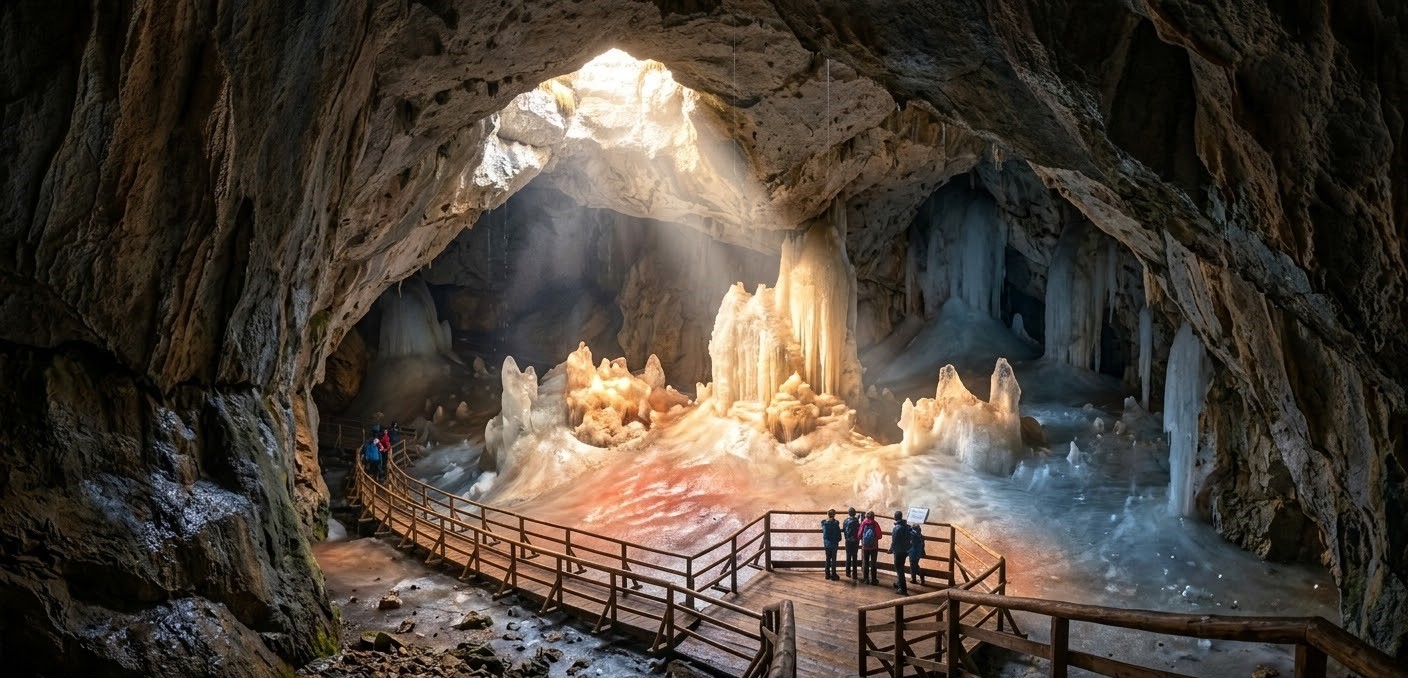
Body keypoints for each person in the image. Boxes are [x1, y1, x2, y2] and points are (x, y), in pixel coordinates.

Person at [888, 511, 912, 594]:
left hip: (898, 551)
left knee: (899, 569)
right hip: (905, 550)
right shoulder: (907, 526)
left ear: (895, 517)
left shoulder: (896, 528)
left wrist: (891, 549)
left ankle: (903, 589)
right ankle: (899, 583)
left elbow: (894, 541)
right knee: (901, 567)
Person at [859, 510, 881, 585]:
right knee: (873, 563)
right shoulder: (875, 524)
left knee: (866, 562)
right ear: (873, 517)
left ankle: (866, 579)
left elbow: (859, 535)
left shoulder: (863, 523)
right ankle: (874, 580)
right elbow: (879, 536)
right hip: (874, 546)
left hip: (865, 546)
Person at [820, 509, 842, 581]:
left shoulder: (824, 523)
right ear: (834, 515)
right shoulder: (836, 523)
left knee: (827, 558)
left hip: (826, 544)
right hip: (834, 544)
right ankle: (833, 575)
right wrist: (837, 540)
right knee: (833, 559)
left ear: (827, 514)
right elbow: (839, 535)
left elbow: (823, 524)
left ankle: (827, 575)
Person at [841, 507, 862, 580]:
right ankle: (855, 574)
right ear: (855, 513)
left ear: (848, 513)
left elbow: (843, 530)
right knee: (855, 557)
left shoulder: (846, 521)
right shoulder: (857, 521)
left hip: (848, 541)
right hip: (855, 541)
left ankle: (848, 572)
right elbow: (859, 529)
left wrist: (846, 538)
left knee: (848, 556)